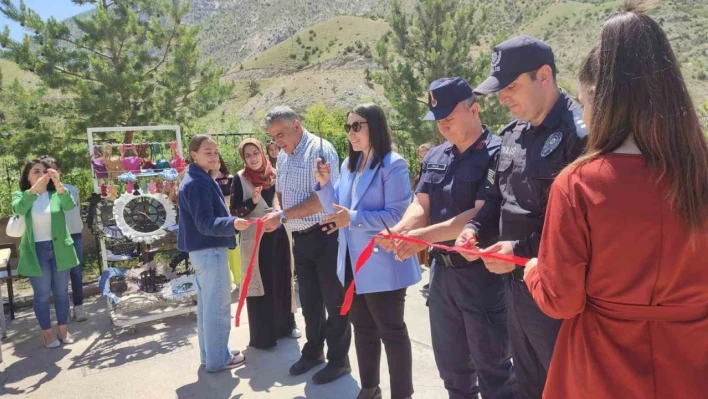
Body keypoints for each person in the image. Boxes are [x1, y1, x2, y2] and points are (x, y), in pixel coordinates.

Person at [523, 3, 708, 398]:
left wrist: (535, 272)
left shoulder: (577, 184)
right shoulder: (700, 174)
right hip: (693, 365)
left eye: (584, 102)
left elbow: (562, 300)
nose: (584, 116)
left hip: (601, 369)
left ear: (604, 100)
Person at [456, 36, 587, 399]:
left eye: (511, 86)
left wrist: (518, 250)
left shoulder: (580, 135)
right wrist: (473, 230)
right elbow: (496, 198)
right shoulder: (512, 135)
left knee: (567, 386)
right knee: (528, 385)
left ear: (543, 76)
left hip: (559, 294)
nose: (502, 98)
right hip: (515, 288)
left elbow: (579, 230)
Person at [380, 77, 515, 399]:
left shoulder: (497, 154)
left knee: (494, 370)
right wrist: (401, 229)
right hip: (442, 277)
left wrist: (420, 237)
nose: (442, 126)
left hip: (482, 276)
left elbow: (478, 214)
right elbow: (421, 203)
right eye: (438, 120)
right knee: (453, 370)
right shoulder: (436, 156)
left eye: (449, 118)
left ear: (474, 109)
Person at [314, 103, 421, 399]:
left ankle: (402, 394)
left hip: (383, 262)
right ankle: (370, 389)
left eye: (357, 125)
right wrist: (324, 185)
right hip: (351, 262)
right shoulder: (349, 166)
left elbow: (398, 215)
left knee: (392, 332)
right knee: (362, 328)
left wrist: (355, 218)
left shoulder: (393, 164)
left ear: (375, 125)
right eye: (348, 127)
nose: (351, 133)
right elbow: (337, 211)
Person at [263, 106, 352, 384]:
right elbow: (279, 192)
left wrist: (283, 215)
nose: (277, 141)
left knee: (334, 300)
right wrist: (278, 209)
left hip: (325, 235)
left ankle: (339, 360)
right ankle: (313, 352)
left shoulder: (319, 151)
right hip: (299, 238)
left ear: (297, 125)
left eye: (280, 134)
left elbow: (324, 199)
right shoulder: (284, 157)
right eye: (273, 136)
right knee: (310, 301)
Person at [177, 134, 246, 372]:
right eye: (208, 152)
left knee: (208, 306)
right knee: (217, 306)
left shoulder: (198, 178)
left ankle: (213, 354)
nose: (214, 156)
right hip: (209, 250)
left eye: (215, 152)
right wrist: (233, 223)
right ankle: (219, 359)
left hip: (203, 252)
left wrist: (212, 179)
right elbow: (205, 223)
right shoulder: (197, 183)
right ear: (193, 154)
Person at [230, 138, 300, 349]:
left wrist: (278, 214)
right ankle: (265, 334)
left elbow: (287, 202)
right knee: (262, 283)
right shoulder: (240, 178)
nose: (252, 158)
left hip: (279, 236)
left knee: (282, 277)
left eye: (255, 153)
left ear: (262, 153)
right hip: (257, 239)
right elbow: (234, 212)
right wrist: (252, 202)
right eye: (247, 155)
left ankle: (287, 325)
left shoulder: (274, 174)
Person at [12, 158, 79, 347]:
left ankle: (63, 330)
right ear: (28, 176)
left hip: (60, 248)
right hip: (37, 250)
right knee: (41, 294)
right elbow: (18, 208)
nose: (41, 175)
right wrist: (34, 191)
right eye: (36, 171)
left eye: (44, 172)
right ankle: (47, 333)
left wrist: (58, 183)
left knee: (61, 292)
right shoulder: (21, 195)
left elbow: (69, 205)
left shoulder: (56, 194)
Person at [38, 156, 88, 322]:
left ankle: (79, 307)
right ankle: (63, 310)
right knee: (58, 275)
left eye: (55, 169)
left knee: (76, 272)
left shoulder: (71, 189)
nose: (52, 173)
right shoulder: (43, 194)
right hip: (55, 237)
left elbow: (75, 210)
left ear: (60, 171)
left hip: (73, 234)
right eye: (47, 170)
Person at [413, 143, 432, 292]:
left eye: (425, 155)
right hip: (422, 215)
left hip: (432, 217)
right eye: (420, 157)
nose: (422, 159)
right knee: (428, 253)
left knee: (432, 250)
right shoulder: (420, 174)